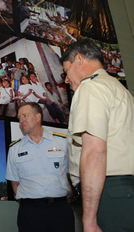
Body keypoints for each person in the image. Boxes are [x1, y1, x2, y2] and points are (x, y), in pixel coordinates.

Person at [61, 39, 134, 232]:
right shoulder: (121, 91)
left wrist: (89, 220)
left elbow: (95, 152)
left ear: (79, 59)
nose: (66, 80)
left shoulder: (90, 87)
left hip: (110, 192)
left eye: (66, 71)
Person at [6, 102, 74, 232]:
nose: (21, 121)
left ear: (38, 117)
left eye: (25, 116)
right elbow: (15, 183)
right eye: (19, 118)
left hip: (60, 210)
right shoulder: (15, 149)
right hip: (30, 213)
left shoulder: (62, 142)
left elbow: (71, 174)